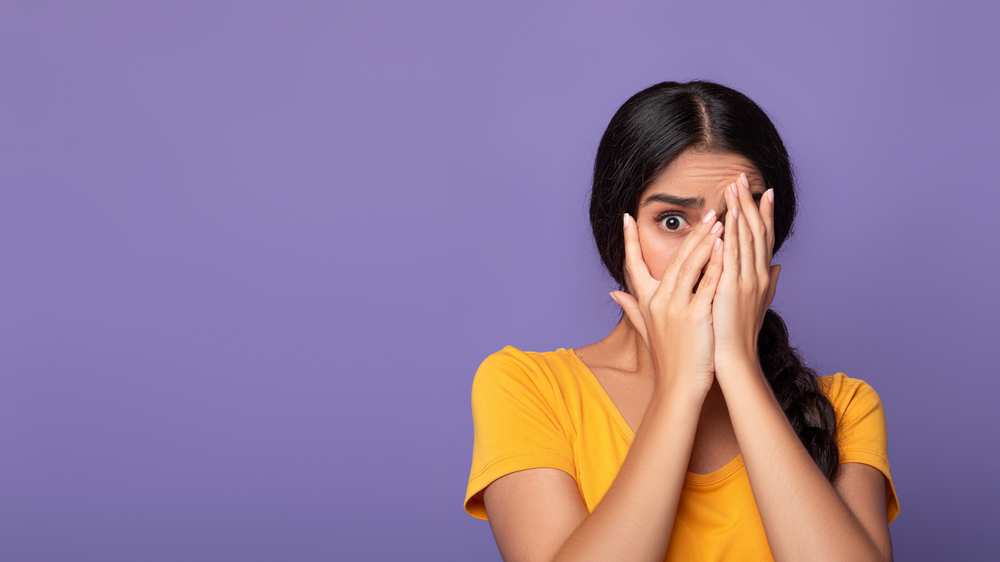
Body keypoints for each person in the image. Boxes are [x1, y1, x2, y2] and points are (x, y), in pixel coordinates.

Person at [463, 80, 898, 561]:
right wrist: (679, 387)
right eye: (673, 221)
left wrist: (738, 366)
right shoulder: (529, 389)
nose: (710, 253)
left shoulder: (843, 408)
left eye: (740, 220)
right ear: (618, 234)